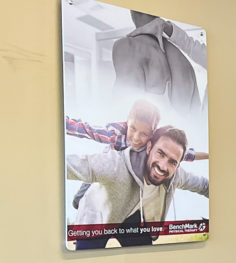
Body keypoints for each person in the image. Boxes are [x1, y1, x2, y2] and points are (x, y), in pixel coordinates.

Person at [66, 126, 209, 249]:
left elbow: (203, 185)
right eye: (160, 153)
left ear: (178, 165)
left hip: (129, 212)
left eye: (172, 162)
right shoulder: (116, 163)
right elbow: (71, 164)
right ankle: (81, 197)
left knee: (146, 256)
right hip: (98, 215)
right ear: (148, 147)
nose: (163, 166)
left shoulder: (175, 173)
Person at [65, 99, 208, 209]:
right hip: (106, 167)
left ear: (152, 133)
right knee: (78, 200)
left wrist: (209, 155)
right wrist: (62, 122)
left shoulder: (153, 144)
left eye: (144, 134)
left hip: (125, 179)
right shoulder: (115, 134)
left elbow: (187, 154)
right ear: (128, 122)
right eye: (133, 128)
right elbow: (87, 130)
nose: (136, 137)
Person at [112, 11, 201, 115]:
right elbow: (198, 122)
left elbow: (126, 112)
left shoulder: (128, 46)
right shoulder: (186, 64)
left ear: (133, 11)